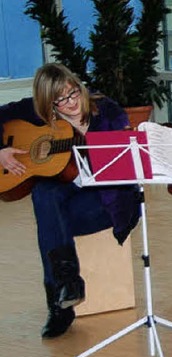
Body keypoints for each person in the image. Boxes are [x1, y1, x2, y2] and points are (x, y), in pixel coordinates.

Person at [0, 63, 140, 338]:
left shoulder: (106, 109)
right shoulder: (34, 111)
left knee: (48, 220)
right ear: (47, 104)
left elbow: (126, 160)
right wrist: (2, 149)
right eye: (60, 100)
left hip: (106, 199)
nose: (72, 102)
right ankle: (67, 284)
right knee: (44, 194)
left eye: (73, 92)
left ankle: (60, 301)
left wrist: (98, 144)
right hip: (66, 196)